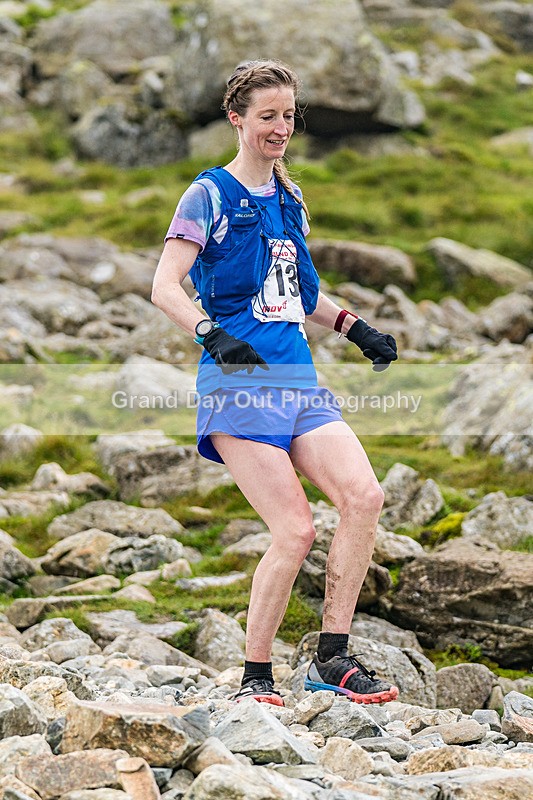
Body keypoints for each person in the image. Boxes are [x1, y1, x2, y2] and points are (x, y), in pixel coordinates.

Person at [152, 59, 399, 707]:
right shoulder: (207, 195)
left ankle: (332, 658)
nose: (280, 127)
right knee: (293, 530)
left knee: (363, 496)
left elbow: (299, 296)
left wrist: (354, 327)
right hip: (236, 386)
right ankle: (253, 678)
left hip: (298, 380)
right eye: (267, 116)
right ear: (236, 119)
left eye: (288, 115)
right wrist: (211, 334)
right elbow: (162, 286)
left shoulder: (287, 200)